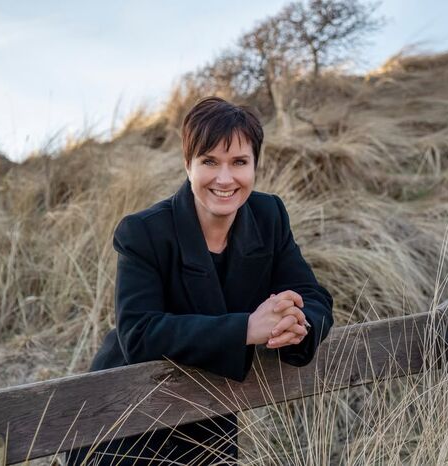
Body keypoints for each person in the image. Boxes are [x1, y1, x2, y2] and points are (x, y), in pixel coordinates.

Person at [68, 96, 333, 465]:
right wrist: (245, 328)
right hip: (126, 413)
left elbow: (312, 295)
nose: (225, 178)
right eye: (209, 161)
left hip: (211, 415)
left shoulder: (269, 215)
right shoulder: (143, 232)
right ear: (187, 164)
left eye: (239, 162)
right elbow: (139, 333)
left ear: (254, 165)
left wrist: (297, 324)